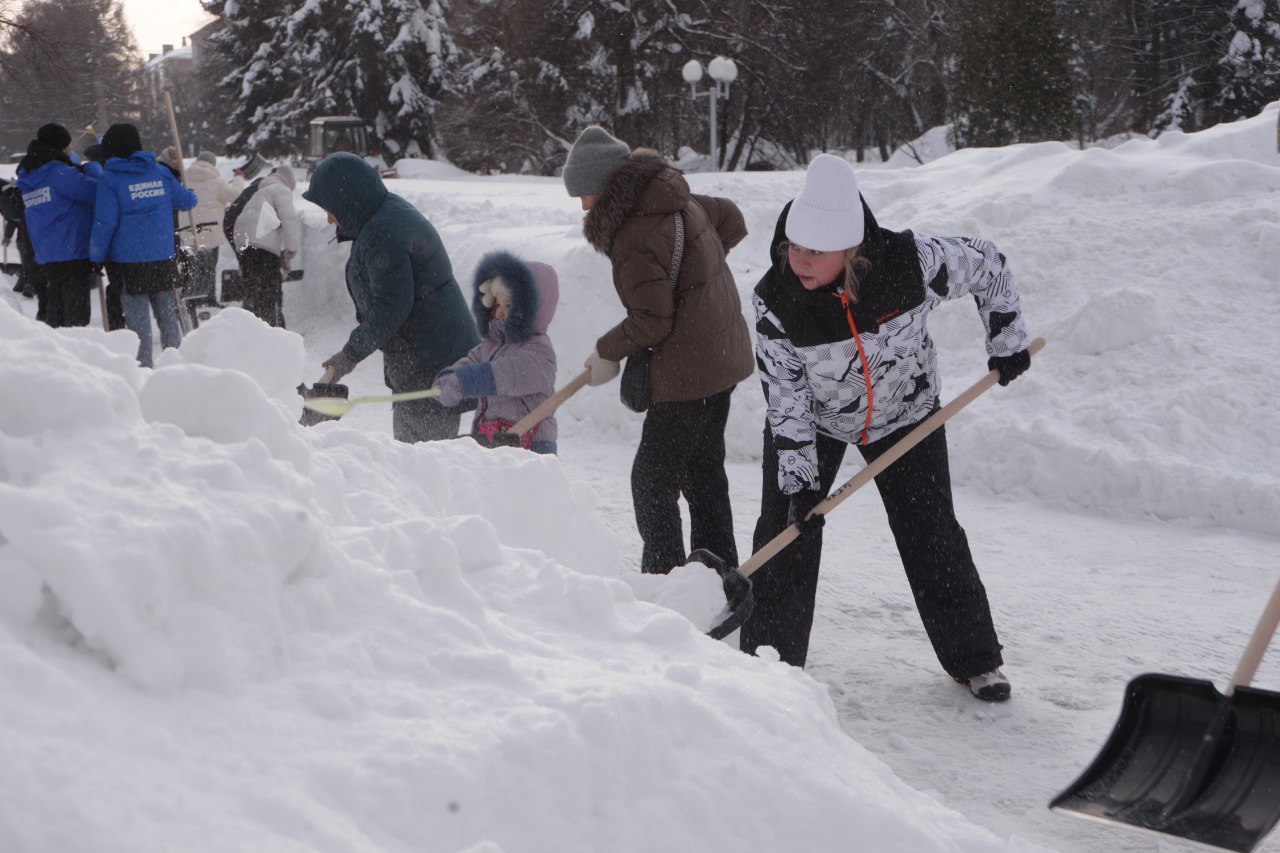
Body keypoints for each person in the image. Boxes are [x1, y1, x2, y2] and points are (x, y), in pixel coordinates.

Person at [745, 153, 1032, 701]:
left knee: (932, 533)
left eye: (814, 251)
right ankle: (769, 667)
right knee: (785, 536)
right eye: (792, 247)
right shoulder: (775, 301)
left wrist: (1007, 340)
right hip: (818, 422)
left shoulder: (909, 263)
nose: (799, 261)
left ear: (850, 246)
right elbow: (785, 396)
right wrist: (801, 480)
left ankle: (975, 661)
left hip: (907, 413)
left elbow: (989, 264)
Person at [561, 126, 754, 575]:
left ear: (607, 187)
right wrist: (697, 278)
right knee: (704, 476)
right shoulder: (673, 196)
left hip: (689, 372)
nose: (584, 206)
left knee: (652, 481)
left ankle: (666, 581)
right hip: (721, 357)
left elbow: (652, 320)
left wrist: (607, 351)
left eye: (586, 194)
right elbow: (733, 220)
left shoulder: (633, 234)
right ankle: (716, 577)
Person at [301, 153, 479, 442]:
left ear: (350, 200)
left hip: (430, 359)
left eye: (331, 208)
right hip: (422, 354)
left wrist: (350, 355)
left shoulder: (384, 229)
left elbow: (392, 307)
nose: (329, 217)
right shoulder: (379, 216)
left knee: (423, 457)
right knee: (415, 450)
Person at [90, 123, 198, 368]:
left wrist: (96, 256)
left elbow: (104, 223)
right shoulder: (160, 173)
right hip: (163, 257)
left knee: (138, 325)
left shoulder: (110, 179)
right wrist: (191, 193)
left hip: (130, 263)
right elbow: (186, 201)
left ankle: (144, 370)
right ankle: (177, 367)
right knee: (168, 317)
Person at [433, 251, 560, 454]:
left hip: (533, 448)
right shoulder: (490, 346)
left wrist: (467, 381)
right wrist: (451, 379)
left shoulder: (540, 352)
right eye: (497, 304)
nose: (499, 312)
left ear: (531, 309)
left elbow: (507, 375)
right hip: (493, 438)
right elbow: (471, 362)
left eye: (509, 305)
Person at [16, 123, 102, 327]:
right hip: (72, 252)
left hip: (47, 254)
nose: (71, 149)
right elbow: (97, 193)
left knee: (56, 312)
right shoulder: (58, 174)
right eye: (68, 145)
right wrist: (94, 170)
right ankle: (75, 356)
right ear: (59, 146)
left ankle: (60, 354)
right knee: (76, 319)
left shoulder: (30, 176)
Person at [231, 164, 299, 327]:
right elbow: (290, 221)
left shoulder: (260, 192)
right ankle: (274, 332)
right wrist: (290, 251)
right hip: (262, 244)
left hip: (244, 242)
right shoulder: (281, 189)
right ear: (288, 183)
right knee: (271, 292)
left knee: (252, 290)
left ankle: (249, 330)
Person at [178, 151, 237, 304]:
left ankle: (191, 298)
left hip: (188, 231)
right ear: (213, 164)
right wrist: (239, 178)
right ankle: (209, 298)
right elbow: (235, 194)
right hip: (210, 232)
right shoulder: (216, 180)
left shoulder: (183, 179)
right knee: (209, 267)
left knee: (192, 266)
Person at [82, 143, 124, 330]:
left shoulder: (89, 174)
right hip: (115, 238)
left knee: (115, 284)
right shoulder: (109, 178)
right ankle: (117, 323)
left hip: (99, 238)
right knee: (119, 283)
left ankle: (115, 323)